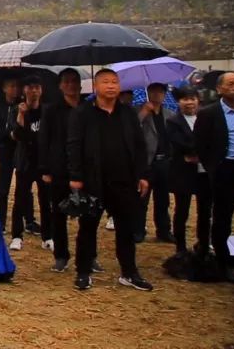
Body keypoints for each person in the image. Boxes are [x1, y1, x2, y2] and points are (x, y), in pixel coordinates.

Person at [68, 68, 153, 292]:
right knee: (88, 227)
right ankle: (83, 272)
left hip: (124, 179)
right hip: (92, 179)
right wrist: (76, 176)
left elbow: (139, 146)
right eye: (105, 82)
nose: (111, 86)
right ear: (95, 86)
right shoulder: (83, 113)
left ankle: (129, 272)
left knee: (126, 228)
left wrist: (142, 174)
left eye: (115, 82)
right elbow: (74, 145)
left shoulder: (127, 113)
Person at [194, 71, 234, 283]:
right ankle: (222, 262)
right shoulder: (208, 113)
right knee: (223, 217)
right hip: (223, 169)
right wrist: (212, 166)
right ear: (219, 89)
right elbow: (200, 144)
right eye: (231, 84)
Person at [38, 68, 83, 273]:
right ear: (60, 86)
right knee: (58, 213)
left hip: (85, 166)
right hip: (58, 167)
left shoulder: (88, 107)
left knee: (88, 214)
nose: (71, 85)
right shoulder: (52, 110)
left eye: (74, 81)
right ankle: (61, 255)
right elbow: (44, 139)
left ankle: (87, 256)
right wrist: (45, 168)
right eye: (66, 82)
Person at [9, 75, 51, 252]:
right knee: (20, 199)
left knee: (46, 200)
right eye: (30, 87)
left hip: (43, 162)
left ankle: (48, 236)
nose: (34, 91)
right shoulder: (16, 110)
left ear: (41, 90)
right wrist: (21, 114)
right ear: (24, 90)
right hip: (24, 161)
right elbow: (15, 135)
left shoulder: (47, 111)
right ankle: (17, 236)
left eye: (37, 87)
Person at [167, 86, 209, 256]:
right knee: (181, 210)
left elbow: (214, 140)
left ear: (198, 100)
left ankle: (204, 244)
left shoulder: (206, 117)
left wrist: (198, 153)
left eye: (192, 98)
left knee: (205, 210)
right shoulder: (173, 121)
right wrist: (200, 150)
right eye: (185, 99)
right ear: (179, 102)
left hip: (205, 171)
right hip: (182, 171)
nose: (189, 102)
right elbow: (179, 144)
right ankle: (180, 246)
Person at [0, 77, 37, 235]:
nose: (15, 89)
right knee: (3, 188)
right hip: (4, 149)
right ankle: (1, 222)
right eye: (11, 86)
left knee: (25, 187)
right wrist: (8, 134)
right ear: (4, 88)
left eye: (17, 86)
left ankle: (30, 221)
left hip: (21, 150)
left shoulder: (23, 105)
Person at [136, 82, 174, 244]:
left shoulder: (170, 114)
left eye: (160, 92)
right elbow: (132, 130)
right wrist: (143, 113)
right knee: (141, 198)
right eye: (153, 91)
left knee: (163, 200)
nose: (157, 94)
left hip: (165, 161)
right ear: (148, 92)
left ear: (164, 94)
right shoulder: (139, 111)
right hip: (146, 162)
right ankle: (138, 230)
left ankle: (164, 230)